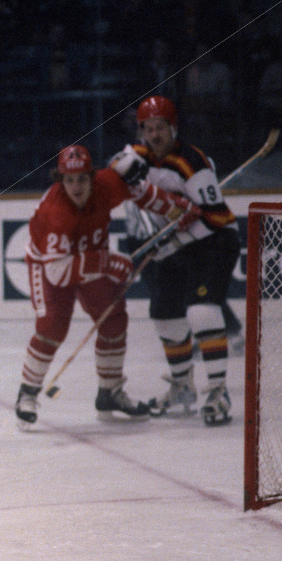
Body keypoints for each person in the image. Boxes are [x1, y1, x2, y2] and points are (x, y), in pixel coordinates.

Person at [15, 144, 202, 427]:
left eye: (82, 179)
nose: (76, 187)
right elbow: (58, 273)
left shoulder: (107, 184)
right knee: (53, 326)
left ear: (92, 177)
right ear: (60, 180)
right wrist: (109, 264)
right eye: (69, 180)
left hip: (91, 256)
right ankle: (26, 394)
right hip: (50, 264)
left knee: (114, 320)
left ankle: (110, 392)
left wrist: (176, 210)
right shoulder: (56, 214)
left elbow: (141, 191)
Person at [114, 96, 240, 426]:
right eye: (148, 129)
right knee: (164, 313)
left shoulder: (191, 162)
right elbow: (115, 171)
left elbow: (215, 217)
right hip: (177, 246)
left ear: (174, 128)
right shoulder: (136, 156)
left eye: (161, 128)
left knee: (201, 311)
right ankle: (183, 387)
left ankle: (217, 391)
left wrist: (175, 238)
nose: (154, 135)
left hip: (214, 242)